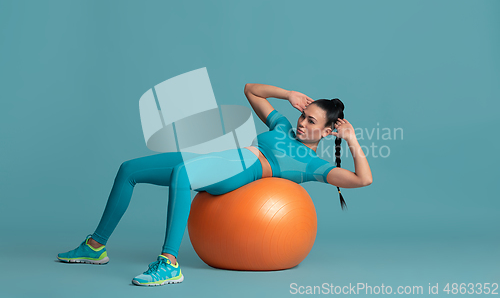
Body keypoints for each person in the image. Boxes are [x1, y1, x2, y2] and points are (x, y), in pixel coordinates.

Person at [57, 83, 373, 286]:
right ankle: (95, 246)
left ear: (329, 132)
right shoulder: (282, 126)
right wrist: (287, 94)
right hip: (219, 155)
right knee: (128, 170)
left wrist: (353, 140)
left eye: (312, 121)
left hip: (244, 167)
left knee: (183, 175)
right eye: (304, 115)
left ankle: (169, 262)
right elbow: (251, 90)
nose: (302, 123)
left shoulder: (312, 165)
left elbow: (363, 179)